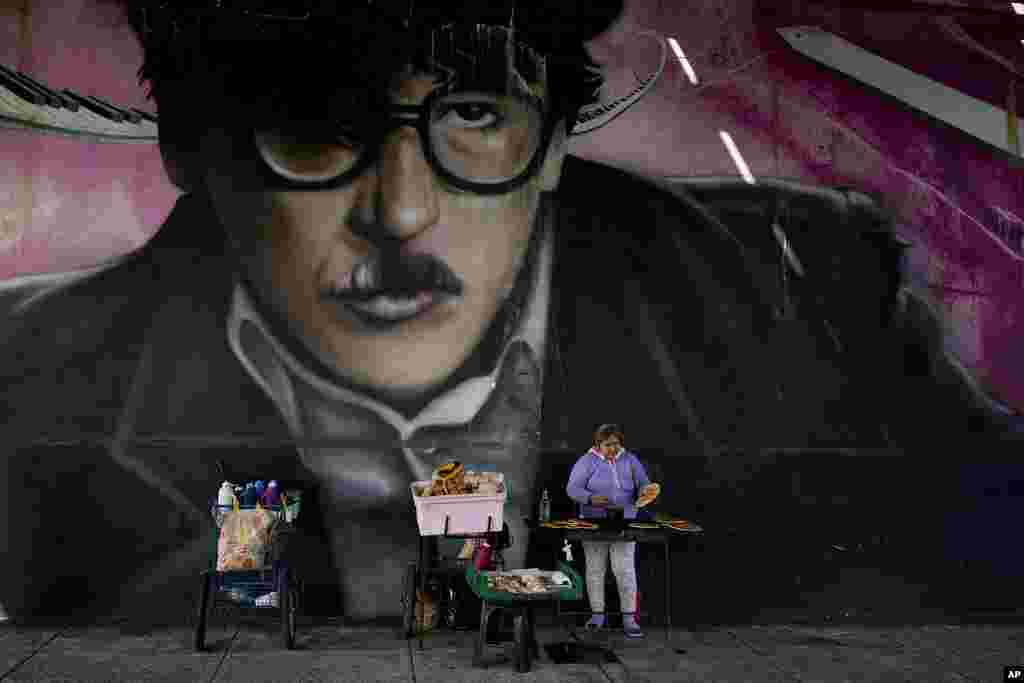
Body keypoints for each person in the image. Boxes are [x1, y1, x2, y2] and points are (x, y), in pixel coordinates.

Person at [1, 0, 1020, 624]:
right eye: (317, 123)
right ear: (193, 142)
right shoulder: (23, 373)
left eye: (473, 114)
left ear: (555, 135)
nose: (399, 211)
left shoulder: (810, 289)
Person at [566, 423, 655, 639]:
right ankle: (597, 616)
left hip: (625, 520)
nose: (613, 449)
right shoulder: (587, 461)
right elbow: (572, 488)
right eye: (608, 445)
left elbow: (644, 483)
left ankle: (629, 618)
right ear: (598, 445)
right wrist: (590, 498)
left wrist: (646, 491)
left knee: (624, 570)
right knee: (595, 570)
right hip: (593, 521)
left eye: (616, 444)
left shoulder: (630, 459)